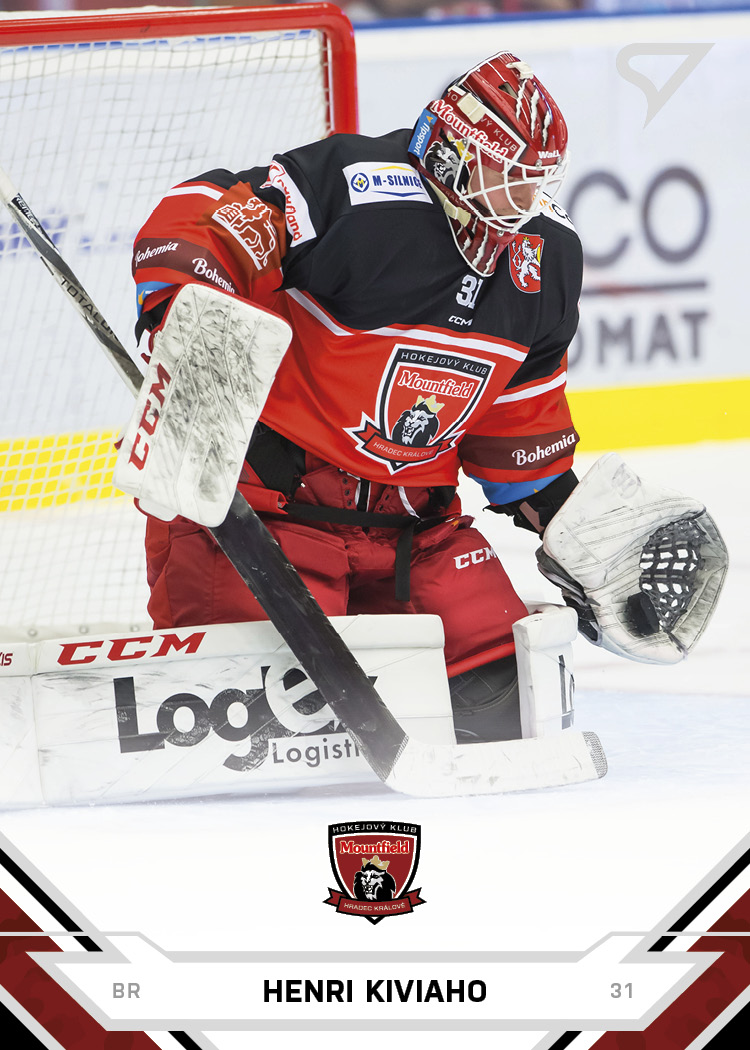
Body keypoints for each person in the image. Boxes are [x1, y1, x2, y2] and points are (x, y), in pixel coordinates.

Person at [130, 52, 585, 743]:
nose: (525, 203)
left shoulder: (546, 257)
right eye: (508, 177)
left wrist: (564, 517)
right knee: (265, 732)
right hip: (268, 519)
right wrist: (185, 309)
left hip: (415, 533)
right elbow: (204, 218)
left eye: (536, 183)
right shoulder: (354, 188)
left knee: (507, 707)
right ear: (456, 155)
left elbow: (517, 414)